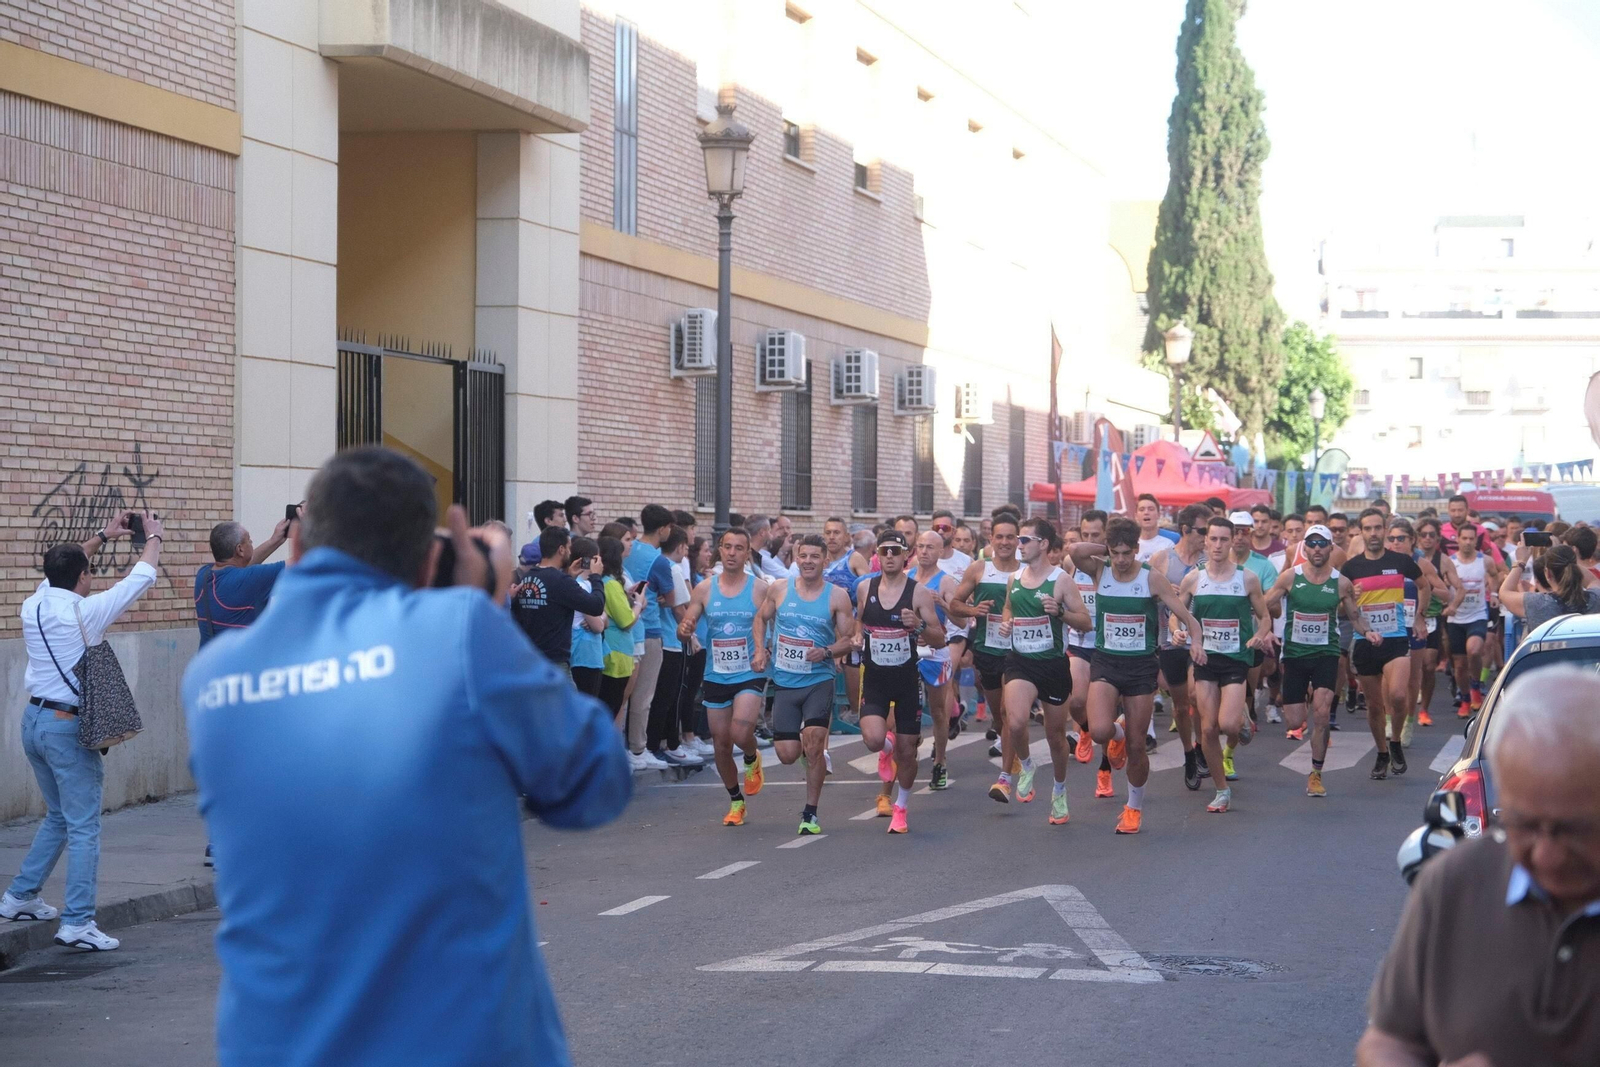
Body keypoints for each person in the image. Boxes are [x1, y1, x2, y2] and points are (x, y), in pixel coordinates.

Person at [180, 448, 630, 1067]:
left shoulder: (212, 680)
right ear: (429, 558)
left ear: (301, 543)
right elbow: (594, 784)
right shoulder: (459, 631)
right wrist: (485, 602)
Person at [1356, 665, 1600, 1067]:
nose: (1545, 855)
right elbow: (1389, 1040)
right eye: (1523, 824)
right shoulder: (1454, 884)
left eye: (1572, 830)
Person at [3, 511, 163, 949]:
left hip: (32, 722)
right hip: (64, 727)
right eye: (88, 572)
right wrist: (152, 535)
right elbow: (142, 576)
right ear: (84, 577)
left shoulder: (34, 603)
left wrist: (102, 536)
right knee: (84, 826)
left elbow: (65, 567)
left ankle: (19, 896)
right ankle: (76, 922)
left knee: (58, 816)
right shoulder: (85, 613)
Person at [1077, 516, 1207, 831]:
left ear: (1137, 549)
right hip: (1106, 662)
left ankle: (1133, 807)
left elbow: (1187, 617)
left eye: (1127, 552)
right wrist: (1105, 545)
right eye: (1115, 552)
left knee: (1137, 745)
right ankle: (1116, 736)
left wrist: (1196, 643)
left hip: (1140, 666)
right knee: (1099, 732)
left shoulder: (1152, 579)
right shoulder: (1100, 569)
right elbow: (1076, 551)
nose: (1121, 560)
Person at [1262, 524, 1376, 797]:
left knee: (1322, 716)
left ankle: (1315, 773)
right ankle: (1304, 698)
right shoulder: (1290, 577)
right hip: (1295, 656)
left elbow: (1354, 615)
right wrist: (1263, 628)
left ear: (1330, 548)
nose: (1316, 549)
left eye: (1321, 544)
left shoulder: (1341, 582)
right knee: (1294, 722)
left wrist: (1368, 632)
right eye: (1311, 543)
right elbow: (1264, 603)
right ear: (1304, 547)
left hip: (1326, 653)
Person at [752, 534, 854, 835]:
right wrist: (760, 648)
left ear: (825, 560)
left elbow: (849, 640)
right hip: (785, 679)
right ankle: (810, 759)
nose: (808, 561)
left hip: (818, 679)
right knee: (786, 753)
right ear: (796, 558)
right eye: (803, 556)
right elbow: (760, 619)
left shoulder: (837, 596)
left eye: (814, 557)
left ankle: (810, 812)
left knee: (813, 740)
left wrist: (827, 652)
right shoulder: (779, 589)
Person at [993, 518, 1090, 825]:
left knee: (1056, 737)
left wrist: (1059, 611)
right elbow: (1009, 607)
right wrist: (1007, 621)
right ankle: (1026, 764)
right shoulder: (1015, 578)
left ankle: (1059, 791)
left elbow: (1085, 621)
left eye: (1025, 540)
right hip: (1020, 660)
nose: (1019, 545)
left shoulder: (1061, 580)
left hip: (1052, 664)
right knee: (1016, 720)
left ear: (1044, 544)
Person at [1176, 516, 1275, 813]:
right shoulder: (1194, 578)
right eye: (1213, 539)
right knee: (1207, 731)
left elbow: (1266, 616)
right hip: (1205, 658)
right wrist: (1177, 631)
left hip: (1235, 659)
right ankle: (1222, 790)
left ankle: (1242, 718)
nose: (1218, 545)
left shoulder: (1247, 578)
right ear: (1205, 541)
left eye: (1224, 539)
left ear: (1232, 542)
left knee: (1228, 724)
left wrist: (1259, 635)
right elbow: (1176, 612)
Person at [854, 529, 946, 834]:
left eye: (896, 551)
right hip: (876, 679)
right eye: (885, 551)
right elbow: (859, 624)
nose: (890, 556)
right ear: (877, 556)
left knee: (909, 752)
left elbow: (939, 637)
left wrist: (918, 625)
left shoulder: (918, 592)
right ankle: (886, 745)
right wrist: (856, 636)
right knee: (873, 739)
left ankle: (902, 807)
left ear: (906, 555)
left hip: (907, 680)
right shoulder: (865, 588)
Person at [677, 527, 771, 826]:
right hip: (716, 672)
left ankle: (752, 756)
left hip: (750, 669)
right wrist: (685, 629)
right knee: (720, 742)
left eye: (739, 548)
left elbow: (775, 624)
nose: (732, 553)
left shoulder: (760, 589)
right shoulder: (704, 589)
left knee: (741, 732)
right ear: (720, 550)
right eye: (727, 547)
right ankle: (736, 801)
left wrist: (765, 650)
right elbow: (688, 621)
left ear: (747, 554)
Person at [1344, 507, 1428, 780]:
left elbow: (1424, 586)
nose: (1373, 533)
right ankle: (1382, 752)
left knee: (1399, 695)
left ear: (1385, 529)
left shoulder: (1401, 561)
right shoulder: (1351, 567)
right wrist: (1351, 597)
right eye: (1367, 528)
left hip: (1395, 638)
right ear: (1361, 531)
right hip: (1365, 641)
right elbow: (1341, 608)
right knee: (1374, 704)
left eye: (1378, 528)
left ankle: (1395, 741)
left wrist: (1419, 617)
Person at [948, 513, 1023, 762]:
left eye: (1010, 537)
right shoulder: (980, 569)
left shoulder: (1028, 569)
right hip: (988, 649)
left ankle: (1010, 767)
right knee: (999, 713)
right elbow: (955, 604)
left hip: (1019, 651)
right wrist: (973, 610)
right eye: (999, 537)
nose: (1004, 542)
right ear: (991, 539)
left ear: (1018, 540)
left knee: (1008, 709)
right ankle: (1008, 742)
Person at [1146, 504, 1212, 790]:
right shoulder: (1162, 559)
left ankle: (1200, 747)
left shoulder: (1211, 560)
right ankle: (1188, 752)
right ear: (1185, 530)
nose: (1208, 537)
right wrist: (1164, 594)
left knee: (1197, 697)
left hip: (1202, 641)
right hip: (1170, 639)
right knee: (1181, 705)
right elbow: (1144, 595)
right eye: (1203, 531)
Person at [621, 506, 680, 769]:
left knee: (623, 695)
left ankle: (623, 745)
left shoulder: (628, 550)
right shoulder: (659, 561)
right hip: (650, 629)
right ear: (664, 528)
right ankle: (638, 747)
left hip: (622, 627)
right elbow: (672, 599)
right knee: (644, 695)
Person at [907, 531, 964, 793]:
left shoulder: (947, 581)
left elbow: (962, 623)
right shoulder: (905, 577)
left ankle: (940, 761)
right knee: (902, 708)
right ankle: (908, 749)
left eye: (930, 547)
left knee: (939, 711)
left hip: (937, 651)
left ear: (941, 552)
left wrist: (943, 602)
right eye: (920, 546)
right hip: (907, 650)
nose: (924, 551)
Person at [508, 526, 607, 669]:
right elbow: (596, 606)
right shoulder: (560, 581)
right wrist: (596, 576)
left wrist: (570, 577)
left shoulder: (528, 577)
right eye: (569, 548)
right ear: (561, 550)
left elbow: (550, 604)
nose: (570, 552)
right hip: (554, 663)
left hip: (530, 660)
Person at [646, 526, 703, 768]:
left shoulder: (657, 565)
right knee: (670, 696)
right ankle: (669, 744)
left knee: (662, 696)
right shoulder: (673, 569)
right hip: (671, 640)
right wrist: (691, 635)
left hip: (664, 637)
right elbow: (682, 607)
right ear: (680, 547)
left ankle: (663, 743)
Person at [195, 514, 294, 646]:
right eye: (249, 540)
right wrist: (310, 530)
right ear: (240, 549)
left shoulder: (203, 575)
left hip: (210, 662)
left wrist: (274, 541)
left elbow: (243, 568)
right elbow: (302, 561)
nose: (252, 543)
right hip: (240, 665)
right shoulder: (250, 579)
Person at [1446, 523, 1503, 719]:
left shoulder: (1484, 561)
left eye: (1472, 539)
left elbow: (1495, 575)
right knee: (1460, 665)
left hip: (1477, 614)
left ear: (1476, 540)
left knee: (1475, 650)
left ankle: (1476, 686)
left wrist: (1494, 593)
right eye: (1465, 538)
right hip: (1455, 618)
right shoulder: (1450, 562)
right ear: (1458, 539)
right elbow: (1442, 584)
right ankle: (1464, 699)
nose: (1468, 542)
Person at [597, 536, 647, 722]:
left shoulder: (600, 581)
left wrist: (626, 595)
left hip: (609, 651)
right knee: (611, 707)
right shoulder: (610, 583)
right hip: (615, 654)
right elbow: (626, 621)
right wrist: (639, 603)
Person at [1499, 541, 1600, 629]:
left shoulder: (1538, 603)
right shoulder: (1595, 599)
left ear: (1548, 574)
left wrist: (1521, 561)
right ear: (1576, 570)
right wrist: (1565, 557)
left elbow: (1504, 592)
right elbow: (1593, 581)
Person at [566, 536, 607, 699]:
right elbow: (598, 626)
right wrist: (601, 619)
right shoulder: (581, 586)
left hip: (589, 655)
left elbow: (604, 617)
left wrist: (602, 618)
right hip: (584, 657)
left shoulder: (589, 585)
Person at [1134, 494, 1168, 561]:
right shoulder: (1131, 543)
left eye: (1151, 509)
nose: (1146, 512)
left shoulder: (1172, 541)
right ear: (1136, 516)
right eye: (1142, 509)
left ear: (1158, 514)